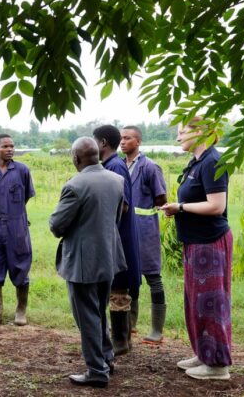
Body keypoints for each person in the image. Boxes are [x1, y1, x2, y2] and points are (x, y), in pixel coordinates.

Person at [49, 137, 127, 389]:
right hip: (108, 257)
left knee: (87, 317)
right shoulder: (117, 180)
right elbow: (115, 217)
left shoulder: (75, 185)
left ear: (76, 159)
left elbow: (56, 225)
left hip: (83, 263)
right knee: (99, 311)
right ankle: (106, 357)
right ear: (98, 154)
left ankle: (96, 370)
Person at [158, 117, 232, 380]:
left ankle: (217, 365)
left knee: (211, 303)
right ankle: (204, 353)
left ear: (201, 133)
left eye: (182, 132)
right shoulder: (198, 162)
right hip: (195, 241)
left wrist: (180, 207)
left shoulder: (213, 161)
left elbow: (216, 206)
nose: (178, 137)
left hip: (209, 241)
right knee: (196, 301)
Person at [92, 124, 140, 356]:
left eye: (93, 142)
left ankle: (120, 341)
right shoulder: (111, 165)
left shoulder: (116, 167)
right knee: (115, 288)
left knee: (119, 289)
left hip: (119, 237)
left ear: (102, 143)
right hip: (115, 237)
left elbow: (123, 204)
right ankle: (121, 339)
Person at [0, 133, 35, 328]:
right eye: (5, 146)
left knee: (20, 266)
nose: (10, 149)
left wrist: (16, 214)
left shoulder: (22, 170)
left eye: (12, 146)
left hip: (17, 225)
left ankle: (21, 311)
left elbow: (27, 195)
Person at [120, 126, 169, 344]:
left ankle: (157, 330)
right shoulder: (119, 166)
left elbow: (161, 198)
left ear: (138, 142)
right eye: (121, 138)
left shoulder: (150, 167)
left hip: (146, 229)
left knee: (153, 277)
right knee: (131, 278)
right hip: (126, 229)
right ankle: (130, 325)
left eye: (127, 138)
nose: (123, 142)